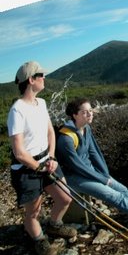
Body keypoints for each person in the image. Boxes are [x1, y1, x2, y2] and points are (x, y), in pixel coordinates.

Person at [8, 61, 78, 255]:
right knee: (33, 212)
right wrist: (38, 168)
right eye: (41, 75)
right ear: (31, 80)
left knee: (65, 198)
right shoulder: (17, 111)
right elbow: (19, 152)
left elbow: (50, 132)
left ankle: (54, 224)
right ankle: (38, 238)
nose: (44, 78)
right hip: (26, 169)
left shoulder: (42, 103)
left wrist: (52, 157)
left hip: (47, 161)